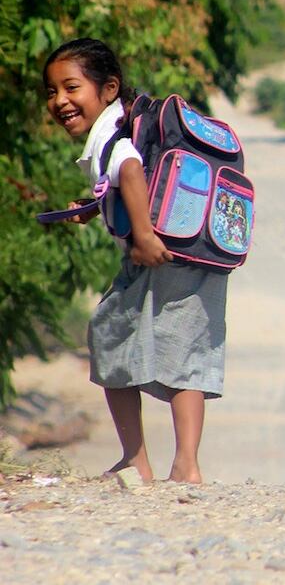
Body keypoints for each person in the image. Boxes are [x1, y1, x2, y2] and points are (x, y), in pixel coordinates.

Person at [42, 38, 227, 484]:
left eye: (71, 87)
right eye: (51, 92)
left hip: (162, 251)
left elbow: (128, 169)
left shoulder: (111, 134)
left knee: (116, 337)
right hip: (194, 249)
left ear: (108, 89)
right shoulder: (124, 123)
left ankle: (145, 461)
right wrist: (93, 205)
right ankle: (179, 464)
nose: (60, 101)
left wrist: (143, 236)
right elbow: (129, 179)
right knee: (182, 349)